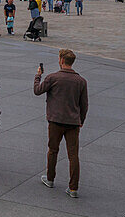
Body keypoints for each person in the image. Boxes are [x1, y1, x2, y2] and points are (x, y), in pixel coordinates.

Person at [34, 49, 88, 198]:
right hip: (73, 122)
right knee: (73, 155)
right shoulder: (81, 81)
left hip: (55, 121)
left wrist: (38, 76)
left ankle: (50, 179)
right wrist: (80, 121)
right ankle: (73, 188)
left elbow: (37, 91)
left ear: (62, 60)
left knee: (53, 150)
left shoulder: (53, 78)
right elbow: (84, 105)